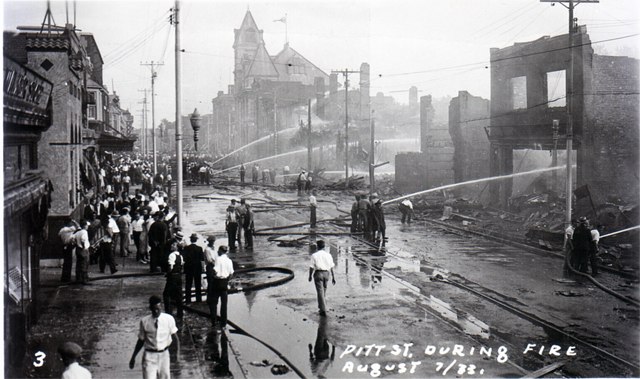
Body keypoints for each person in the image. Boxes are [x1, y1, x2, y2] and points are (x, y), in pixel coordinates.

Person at [129, 295, 180, 378]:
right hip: (149, 356)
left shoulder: (169, 319)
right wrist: (133, 357)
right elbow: (141, 340)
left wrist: (177, 354)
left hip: (164, 355)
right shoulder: (144, 321)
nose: (156, 311)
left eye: (158, 309)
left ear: (161, 307)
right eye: (154, 309)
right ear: (150, 308)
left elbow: (175, 338)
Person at [208, 245, 234, 328]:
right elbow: (231, 273)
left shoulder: (218, 259)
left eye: (218, 250)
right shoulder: (229, 261)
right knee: (224, 304)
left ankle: (214, 321)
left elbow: (215, 271)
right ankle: (223, 322)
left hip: (217, 282)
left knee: (213, 302)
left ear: (220, 251)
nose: (217, 252)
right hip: (224, 283)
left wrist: (213, 276)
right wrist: (227, 280)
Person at [308, 240, 336, 316]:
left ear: (317, 246)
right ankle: (321, 306)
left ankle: (323, 309)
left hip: (318, 274)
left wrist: (310, 276)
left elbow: (311, 267)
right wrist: (333, 277)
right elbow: (332, 267)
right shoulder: (329, 255)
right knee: (324, 291)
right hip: (327, 274)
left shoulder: (314, 255)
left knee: (320, 292)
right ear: (324, 247)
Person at [163, 241, 184, 319]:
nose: (172, 245)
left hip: (172, 277)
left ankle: (168, 312)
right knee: (179, 295)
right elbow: (181, 266)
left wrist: (168, 273)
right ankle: (180, 312)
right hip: (178, 276)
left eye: (174, 245)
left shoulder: (171, 255)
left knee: (166, 294)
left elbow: (170, 267)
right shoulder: (180, 256)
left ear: (177, 247)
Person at [183, 233, 204, 304]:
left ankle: (188, 300)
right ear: (196, 240)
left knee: (188, 284)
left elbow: (184, 258)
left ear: (190, 239)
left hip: (189, 268)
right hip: (197, 268)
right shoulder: (199, 248)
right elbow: (202, 259)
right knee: (198, 284)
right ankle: (199, 299)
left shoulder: (186, 248)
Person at [59, 219, 79, 283]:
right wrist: (74, 221)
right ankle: (67, 278)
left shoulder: (61, 230)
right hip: (69, 246)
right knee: (69, 262)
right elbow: (78, 227)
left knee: (66, 262)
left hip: (64, 245)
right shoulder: (71, 228)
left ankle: (64, 277)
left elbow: (59, 235)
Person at [73, 220, 91, 285]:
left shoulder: (77, 232)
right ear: (85, 225)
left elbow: (73, 238)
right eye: (87, 225)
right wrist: (83, 246)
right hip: (83, 249)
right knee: (85, 263)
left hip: (78, 248)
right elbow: (83, 240)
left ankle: (78, 278)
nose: (87, 227)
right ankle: (84, 279)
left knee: (79, 264)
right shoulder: (84, 232)